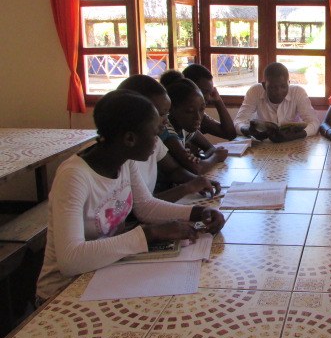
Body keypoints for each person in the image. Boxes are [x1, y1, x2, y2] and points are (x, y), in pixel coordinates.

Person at [36, 90, 225, 301]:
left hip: (105, 273)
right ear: (130, 138)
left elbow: (145, 206)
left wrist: (198, 212)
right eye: (154, 134)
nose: (158, 141)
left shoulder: (125, 161)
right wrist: (150, 234)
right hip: (63, 292)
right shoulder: (74, 177)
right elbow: (71, 260)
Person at [117, 75, 221, 202]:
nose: (166, 120)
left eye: (167, 113)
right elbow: (140, 206)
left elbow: (173, 170)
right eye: (161, 114)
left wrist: (197, 181)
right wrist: (187, 187)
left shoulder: (154, 140)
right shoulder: (124, 156)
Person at [233, 62, 320, 143]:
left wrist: (295, 136)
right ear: (264, 86)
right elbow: (238, 122)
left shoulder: (298, 92)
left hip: (293, 142)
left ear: (289, 83)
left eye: (283, 86)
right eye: (273, 87)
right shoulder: (255, 91)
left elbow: (314, 123)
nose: (278, 92)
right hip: (264, 143)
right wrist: (248, 130)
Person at [162, 77, 228, 175]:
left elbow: (210, 148)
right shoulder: (166, 131)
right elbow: (197, 169)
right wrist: (216, 157)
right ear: (172, 109)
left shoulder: (185, 127)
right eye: (190, 111)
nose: (198, 117)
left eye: (202, 109)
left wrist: (201, 159)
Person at [182, 64, 236, 141]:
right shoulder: (181, 116)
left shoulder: (200, 116)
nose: (208, 98)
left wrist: (218, 101)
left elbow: (230, 134)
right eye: (203, 92)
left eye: (210, 93)